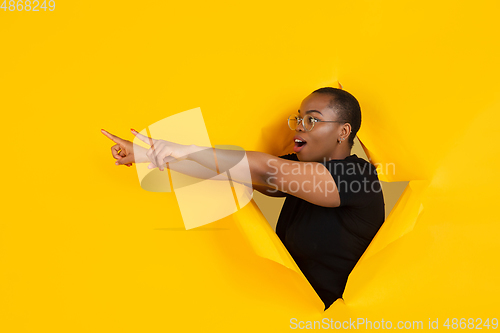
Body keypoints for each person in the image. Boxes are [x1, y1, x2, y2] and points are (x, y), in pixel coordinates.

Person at [101, 87, 385, 311]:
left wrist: (180, 149)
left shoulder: (357, 175)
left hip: (341, 319)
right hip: (295, 314)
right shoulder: (300, 173)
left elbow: (266, 169)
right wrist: (147, 154)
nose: (299, 126)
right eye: (298, 118)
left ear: (343, 131)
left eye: (312, 119)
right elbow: (228, 170)